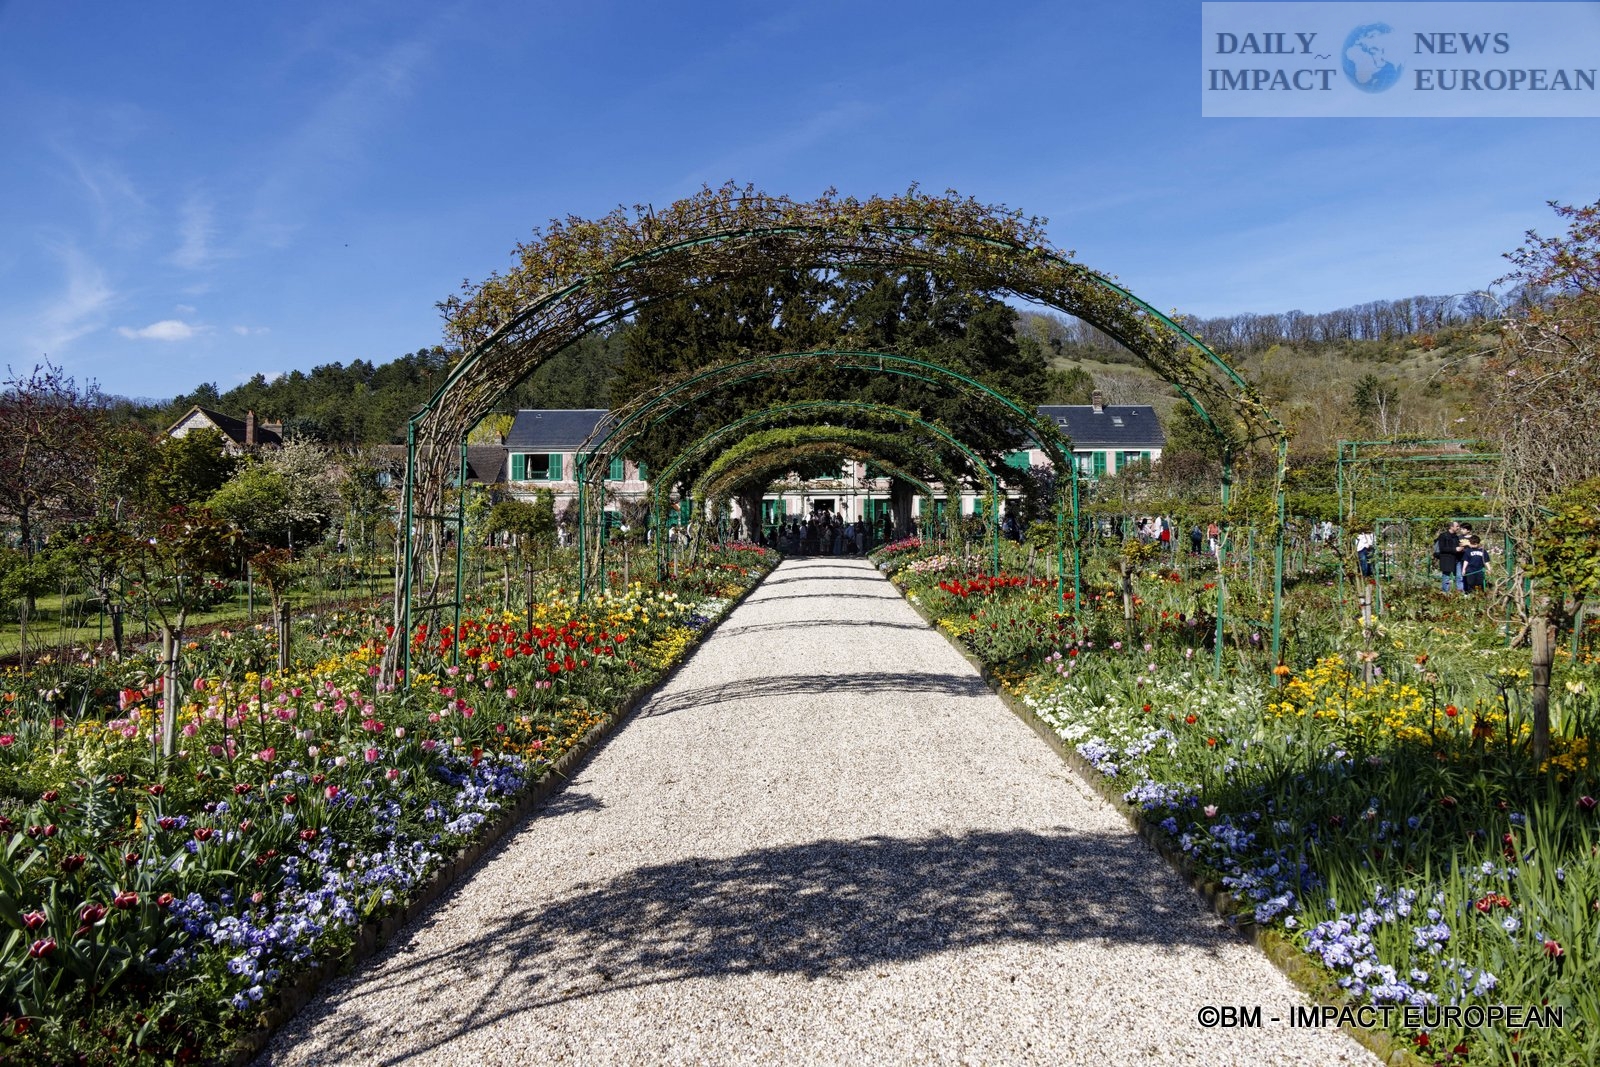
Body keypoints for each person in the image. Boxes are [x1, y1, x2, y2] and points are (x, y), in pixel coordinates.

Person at [1433, 521, 1462, 594]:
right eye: (1457, 526)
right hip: (1447, 559)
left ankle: (1460, 592)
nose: (1458, 528)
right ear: (1451, 527)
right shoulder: (1443, 536)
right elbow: (1442, 548)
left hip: (1457, 558)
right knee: (1446, 577)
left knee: (1459, 576)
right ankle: (1445, 592)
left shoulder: (1456, 536)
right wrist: (1455, 549)